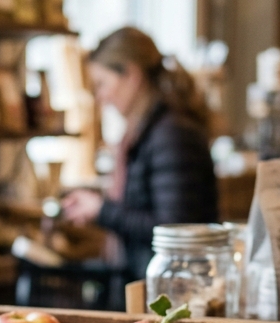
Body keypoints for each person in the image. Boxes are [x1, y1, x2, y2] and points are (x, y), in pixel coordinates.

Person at [61, 27, 220, 280]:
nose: (100, 97)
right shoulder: (144, 132)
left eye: (102, 84)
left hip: (173, 288)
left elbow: (173, 229)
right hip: (154, 281)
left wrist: (103, 211)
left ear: (132, 75)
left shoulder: (172, 135)